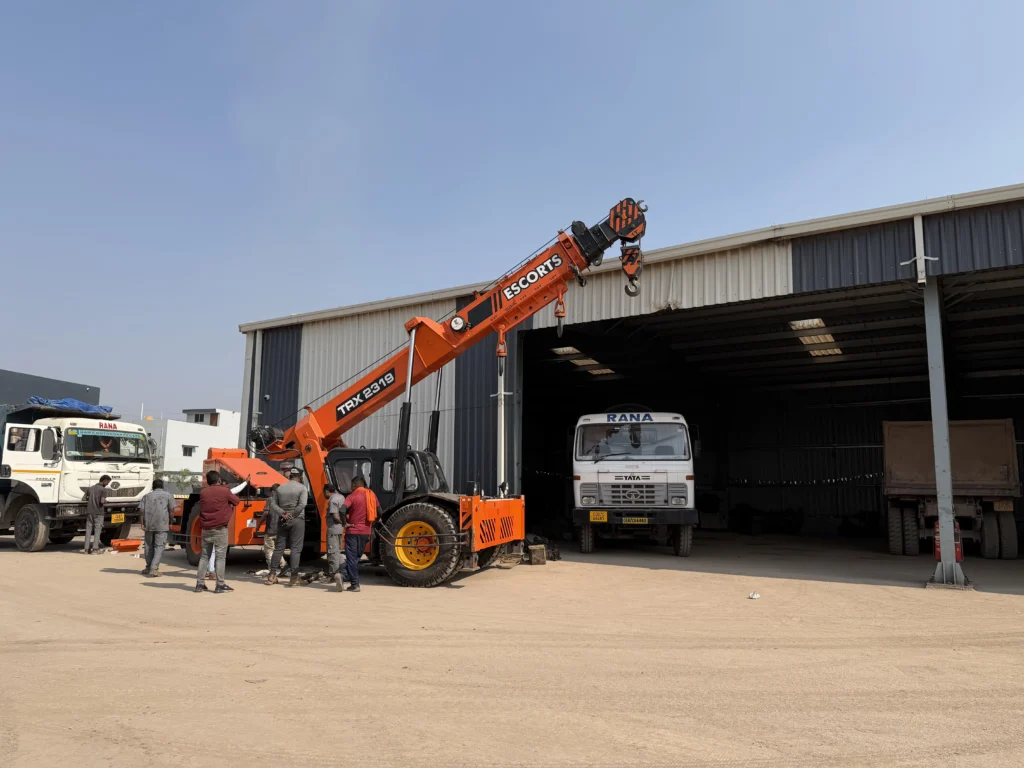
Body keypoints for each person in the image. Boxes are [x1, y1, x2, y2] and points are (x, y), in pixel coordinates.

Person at [194, 470, 239, 594]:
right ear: (219, 480)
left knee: (204, 557)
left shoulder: (203, 492)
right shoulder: (224, 491)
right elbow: (236, 501)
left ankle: (199, 584)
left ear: (208, 481)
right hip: (220, 529)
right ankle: (220, 585)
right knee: (220, 557)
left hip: (206, 529)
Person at [266, 468, 308, 586]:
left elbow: (273, 504)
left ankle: (271, 575)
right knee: (295, 549)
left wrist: (283, 513)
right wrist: (292, 514)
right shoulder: (302, 488)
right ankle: (293, 578)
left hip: (282, 520)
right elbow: (302, 504)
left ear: (290, 476)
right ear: (300, 477)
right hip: (297, 520)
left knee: (279, 548)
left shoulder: (280, 488)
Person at [342, 474, 378, 593]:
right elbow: (379, 511)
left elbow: (342, 510)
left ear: (354, 485)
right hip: (365, 533)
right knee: (356, 557)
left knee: (352, 558)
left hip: (353, 531)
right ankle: (344, 575)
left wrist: (345, 523)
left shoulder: (352, 496)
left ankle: (353, 583)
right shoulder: (371, 495)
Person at [139, 479, 174, 577]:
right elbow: (171, 511)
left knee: (148, 546)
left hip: (149, 524)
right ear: (162, 486)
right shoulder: (168, 495)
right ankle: (154, 569)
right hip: (162, 524)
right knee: (159, 546)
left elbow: (141, 511)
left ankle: (148, 567)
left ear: (153, 486)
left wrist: (142, 523)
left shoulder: (146, 496)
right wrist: (171, 523)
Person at [324, 484, 347, 592]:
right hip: (340, 530)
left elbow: (335, 516)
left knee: (332, 552)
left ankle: (335, 575)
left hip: (333, 529)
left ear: (327, 491)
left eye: (324, 493)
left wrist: (343, 523)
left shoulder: (333, 500)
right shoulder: (341, 497)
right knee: (338, 551)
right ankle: (343, 571)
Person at [83, 475, 112, 554]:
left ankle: (86, 549)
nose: (107, 484)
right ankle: (95, 549)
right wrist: (106, 501)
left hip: (89, 512)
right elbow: (102, 501)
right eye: (108, 482)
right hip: (98, 512)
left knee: (88, 530)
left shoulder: (90, 488)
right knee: (97, 530)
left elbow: (84, 498)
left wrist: (90, 500)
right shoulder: (103, 490)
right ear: (104, 481)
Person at [261, 483, 282, 572]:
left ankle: (272, 570)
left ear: (273, 491)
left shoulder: (270, 499)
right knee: (278, 550)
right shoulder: (284, 500)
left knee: (269, 550)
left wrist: (259, 524)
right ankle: (284, 567)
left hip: (270, 529)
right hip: (281, 530)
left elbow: (266, 513)